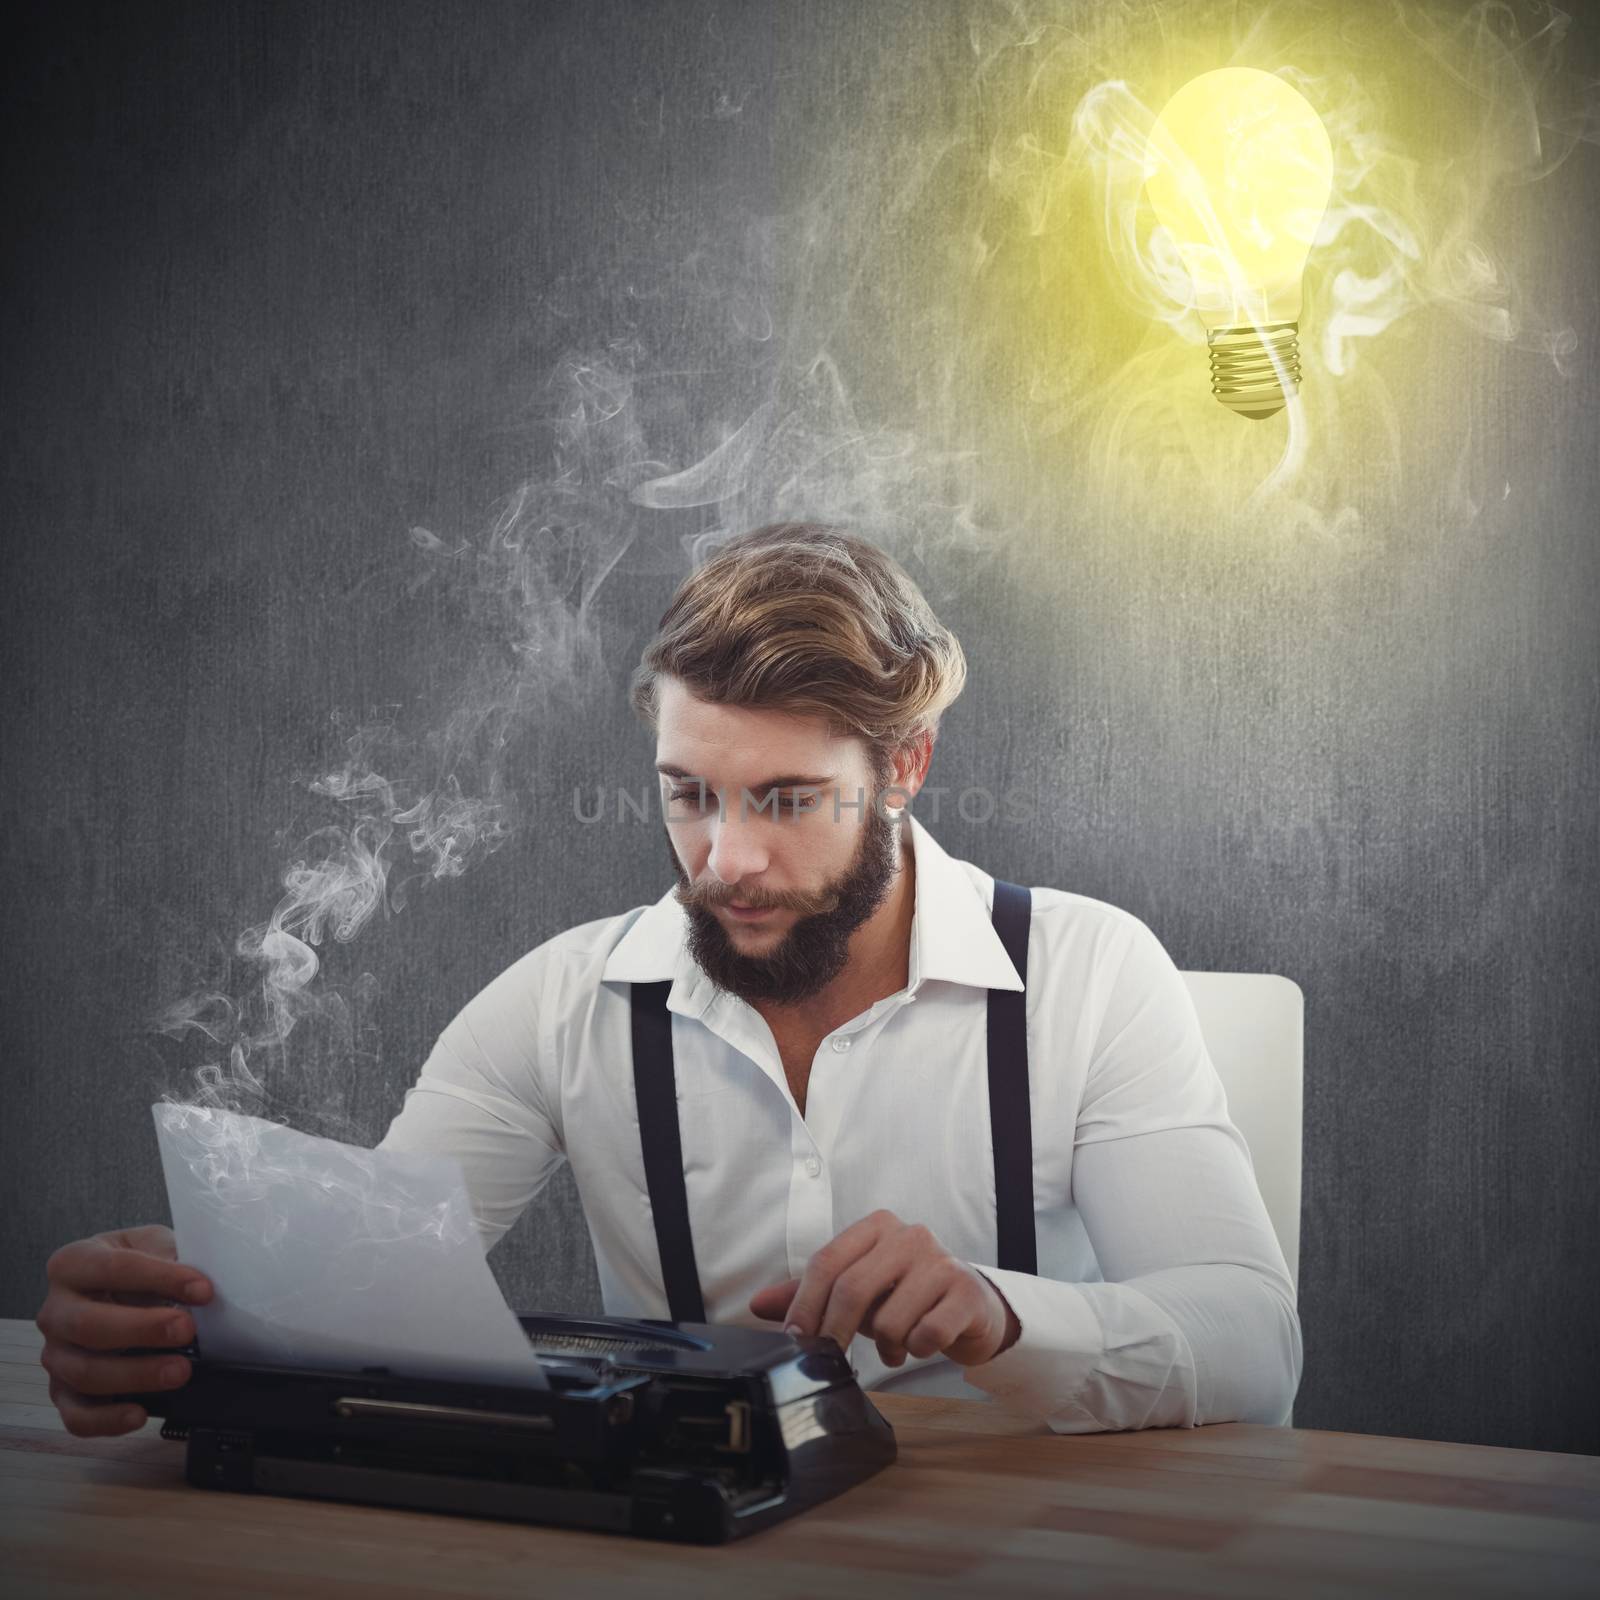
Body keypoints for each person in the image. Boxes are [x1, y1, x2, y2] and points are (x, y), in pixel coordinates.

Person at [37, 521, 1302, 1437]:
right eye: (688, 794)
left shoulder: (1089, 972)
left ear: (905, 766)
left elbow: (1252, 1345)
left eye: (788, 800)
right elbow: (358, 1295)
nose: (726, 858)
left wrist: (997, 1313)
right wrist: (190, 1318)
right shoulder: (558, 1003)